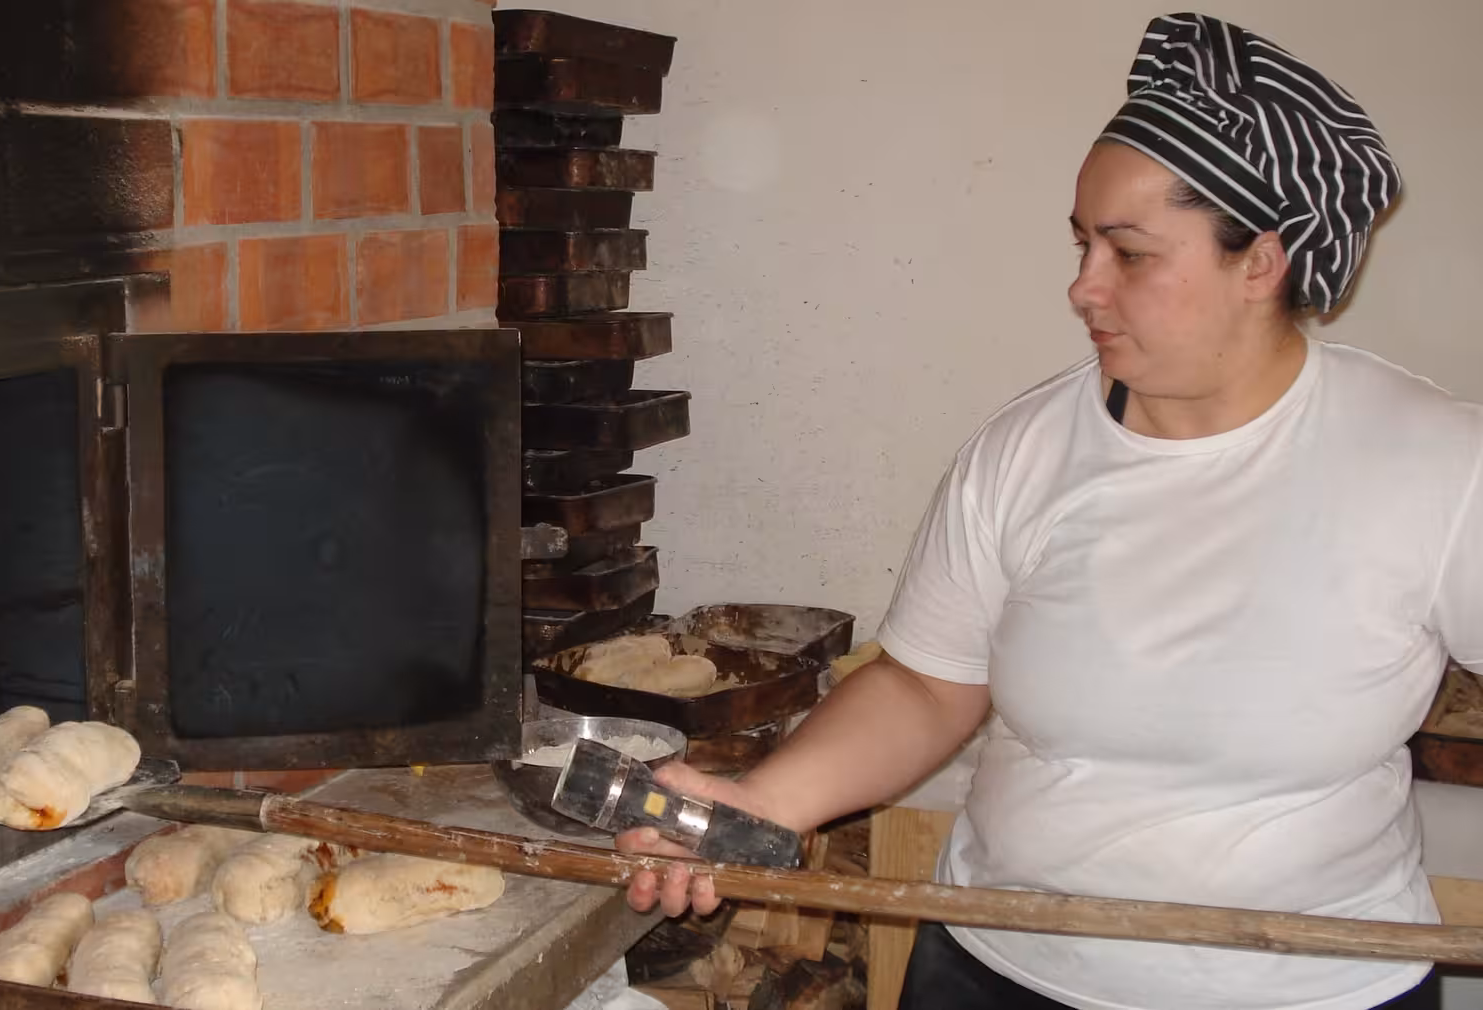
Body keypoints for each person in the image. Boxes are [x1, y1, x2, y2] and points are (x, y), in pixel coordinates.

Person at [617, 12, 1475, 1010]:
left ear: (1262, 261)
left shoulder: (1432, 462)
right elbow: (930, 687)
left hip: (1312, 989)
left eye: (1129, 252)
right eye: (1081, 243)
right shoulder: (1026, 449)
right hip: (1003, 969)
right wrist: (763, 800)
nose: (1082, 286)